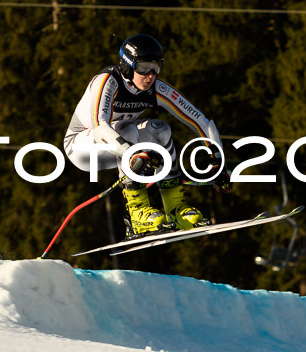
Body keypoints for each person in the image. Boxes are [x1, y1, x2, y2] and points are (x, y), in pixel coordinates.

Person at [63, 33, 232, 239]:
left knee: (160, 129)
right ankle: (137, 214)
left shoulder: (155, 89)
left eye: (156, 68)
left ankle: (175, 209)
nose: (150, 76)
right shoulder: (108, 82)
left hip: (119, 144)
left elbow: (199, 120)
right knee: (127, 129)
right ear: (127, 66)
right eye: (143, 68)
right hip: (80, 147)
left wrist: (218, 158)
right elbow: (100, 127)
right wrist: (131, 153)